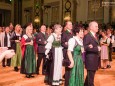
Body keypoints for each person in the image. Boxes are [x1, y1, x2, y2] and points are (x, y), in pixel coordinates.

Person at [83, 21, 101, 86]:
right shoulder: (87, 36)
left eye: (97, 26)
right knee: (91, 77)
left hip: (95, 58)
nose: (97, 28)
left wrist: (95, 47)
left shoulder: (96, 35)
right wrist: (96, 49)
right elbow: (85, 47)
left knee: (90, 76)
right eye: (96, 26)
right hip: (90, 59)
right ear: (91, 27)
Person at [61, 21, 73, 86]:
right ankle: (67, 84)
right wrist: (69, 45)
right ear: (66, 26)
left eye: (71, 24)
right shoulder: (64, 33)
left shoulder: (73, 33)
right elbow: (62, 43)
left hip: (73, 52)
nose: (71, 25)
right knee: (68, 69)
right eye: (69, 24)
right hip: (67, 52)